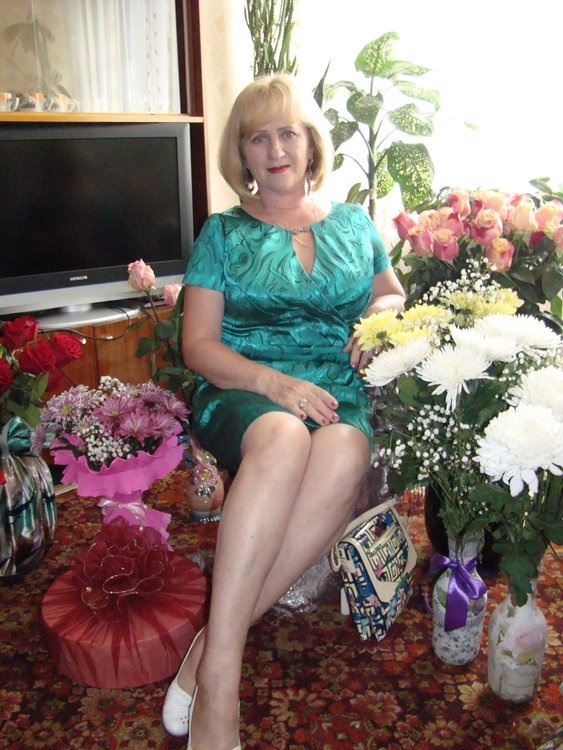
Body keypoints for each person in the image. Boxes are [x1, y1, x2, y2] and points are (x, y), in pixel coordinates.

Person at [162, 73, 405, 750]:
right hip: (243, 385)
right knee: (282, 438)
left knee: (345, 450)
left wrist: (381, 317)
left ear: (310, 142)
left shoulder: (354, 221)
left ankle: (209, 651)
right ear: (241, 153)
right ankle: (222, 682)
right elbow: (197, 345)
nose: (275, 150)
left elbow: (390, 292)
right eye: (258, 137)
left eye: (288, 133)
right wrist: (272, 384)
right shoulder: (223, 232)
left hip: (334, 390)